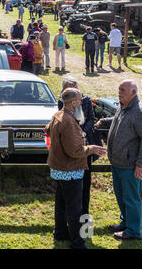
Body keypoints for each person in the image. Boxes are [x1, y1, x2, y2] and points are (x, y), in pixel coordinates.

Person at [44, 88, 106, 249]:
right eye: (80, 99)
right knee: (74, 207)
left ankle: (60, 232)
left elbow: (48, 129)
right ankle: (77, 242)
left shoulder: (58, 115)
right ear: (73, 103)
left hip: (59, 168)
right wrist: (91, 148)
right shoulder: (68, 121)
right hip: (70, 170)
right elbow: (75, 151)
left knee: (61, 202)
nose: (82, 102)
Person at [95, 80, 142, 241]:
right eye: (119, 89)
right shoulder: (124, 106)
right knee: (122, 197)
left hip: (131, 166)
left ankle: (134, 232)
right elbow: (118, 120)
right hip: (119, 163)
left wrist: (140, 164)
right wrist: (104, 121)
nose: (119, 92)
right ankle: (126, 223)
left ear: (133, 93)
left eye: (123, 90)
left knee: (132, 199)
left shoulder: (141, 112)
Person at [58, 77, 103, 216]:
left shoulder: (86, 99)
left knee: (85, 181)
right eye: (69, 89)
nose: (73, 92)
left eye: (75, 89)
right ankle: (69, 215)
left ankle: (84, 213)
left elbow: (91, 119)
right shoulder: (62, 101)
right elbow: (63, 119)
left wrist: (82, 132)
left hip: (85, 144)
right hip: (69, 146)